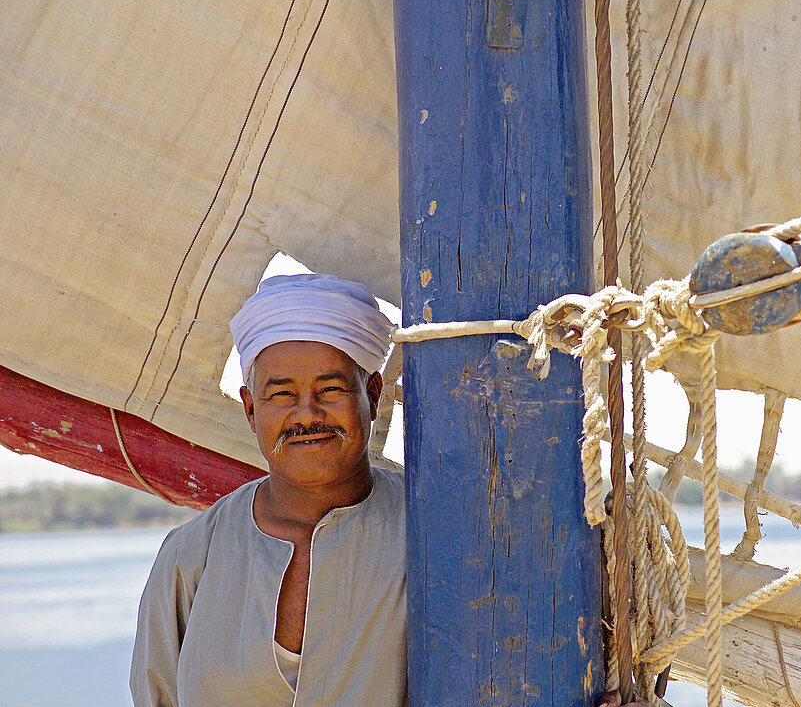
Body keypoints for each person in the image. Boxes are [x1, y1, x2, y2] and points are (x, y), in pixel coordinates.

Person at [130, 273, 651, 706]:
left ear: (372, 394)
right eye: (280, 394)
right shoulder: (190, 557)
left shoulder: (436, 525)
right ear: (250, 408)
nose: (306, 414)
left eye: (330, 390)